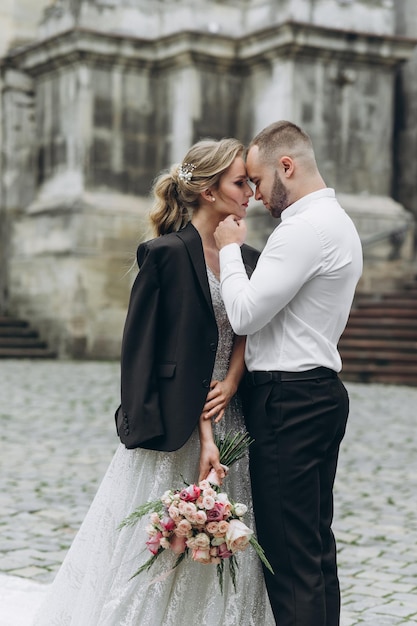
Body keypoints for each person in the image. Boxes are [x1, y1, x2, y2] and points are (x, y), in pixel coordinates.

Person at [34, 137, 275, 626]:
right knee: (163, 541)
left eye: (251, 181)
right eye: (239, 182)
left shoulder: (247, 257)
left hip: (233, 415)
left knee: (226, 536)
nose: (250, 190)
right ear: (208, 191)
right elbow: (142, 348)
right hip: (175, 420)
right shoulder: (163, 254)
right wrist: (162, 420)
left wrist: (231, 380)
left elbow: (253, 324)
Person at [213, 121, 363, 626]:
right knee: (314, 548)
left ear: (287, 167)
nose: (253, 195)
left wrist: (232, 248)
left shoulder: (302, 229)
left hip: (288, 400)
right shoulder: (337, 221)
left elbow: (246, 315)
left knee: (289, 557)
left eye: (256, 181)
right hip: (316, 393)